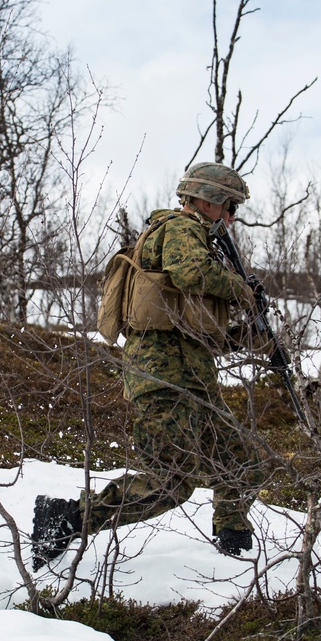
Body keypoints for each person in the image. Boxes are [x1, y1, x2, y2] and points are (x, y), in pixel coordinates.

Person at [32, 162, 268, 570]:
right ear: (208, 201)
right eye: (230, 206)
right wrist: (240, 289)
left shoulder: (200, 241)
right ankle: (68, 518)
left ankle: (232, 540)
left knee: (241, 459)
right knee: (170, 483)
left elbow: (192, 327)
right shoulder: (181, 230)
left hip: (192, 378)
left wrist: (252, 334)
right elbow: (191, 273)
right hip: (162, 376)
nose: (232, 217)